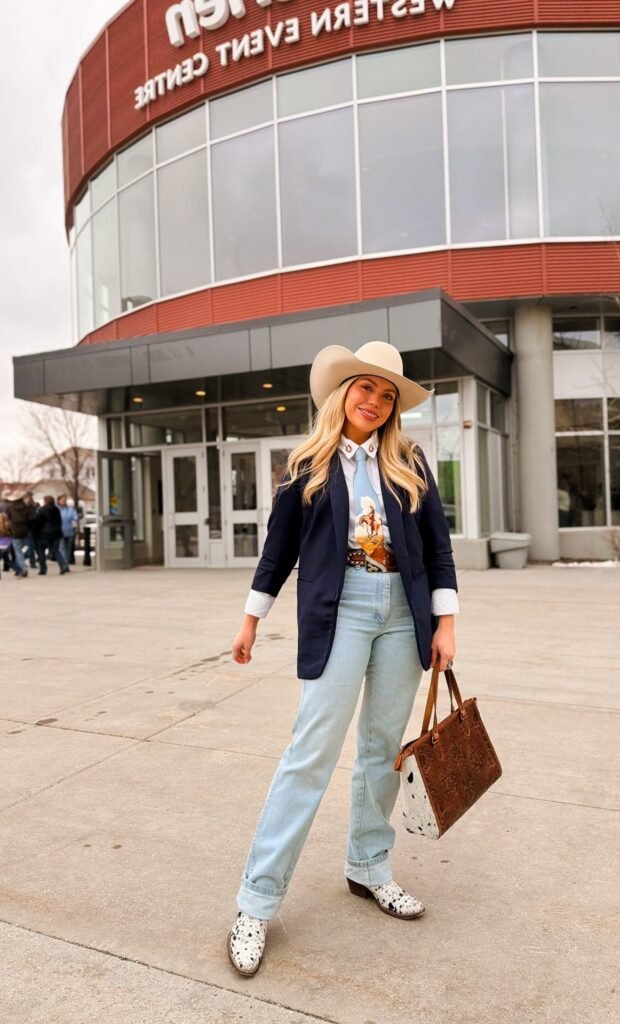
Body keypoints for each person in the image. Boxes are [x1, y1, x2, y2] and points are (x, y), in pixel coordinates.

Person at [227, 341, 458, 977]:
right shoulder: (308, 464)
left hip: (403, 615)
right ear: (341, 394)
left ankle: (369, 866)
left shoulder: (408, 461)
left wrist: (446, 623)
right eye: (366, 389)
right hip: (341, 613)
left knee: (384, 749)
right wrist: (252, 619)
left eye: (388, 396)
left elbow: (438, 548)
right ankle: (256, 901)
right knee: (311, 753)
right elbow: (278, 554)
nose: (376, 403)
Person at [35, 496, 69, 575]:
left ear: (45, 501)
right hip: (56, 533)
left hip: (44, 534)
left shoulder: (41, 510)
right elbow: (59, 521)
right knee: (56, 551)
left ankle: (43, 569)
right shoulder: (57, 510)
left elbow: (38, 523)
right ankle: (62, 566)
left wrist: (37, 533)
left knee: (41, 551)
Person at [7, 495, 31, 577]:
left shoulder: (10, 509)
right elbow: (30, 519)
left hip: (15, 532)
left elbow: (8, 519)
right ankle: (21, 566)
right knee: (27, 548)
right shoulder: (27, 508)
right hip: (25, 532)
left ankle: (22, 568)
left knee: (18, 551)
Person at [57, 494, 79, 565]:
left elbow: (75, 517)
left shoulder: (70, 509)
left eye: (65, 500)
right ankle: (64, 565)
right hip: (60, 531)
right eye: (63, 500)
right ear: (59, 501)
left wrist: (75, 519)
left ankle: (66, 563)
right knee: (62, 548)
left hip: (69, 531)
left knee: (68, 549)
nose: (64, 501)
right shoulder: (57, 510)